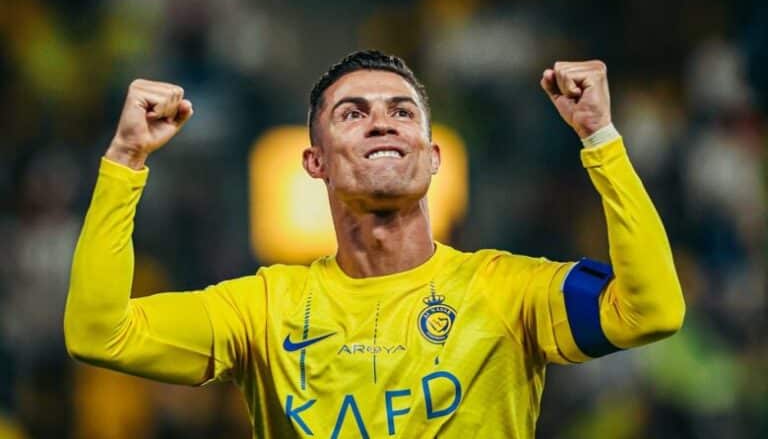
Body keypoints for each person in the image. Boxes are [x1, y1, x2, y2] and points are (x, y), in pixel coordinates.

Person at [64, 50, 685, 438]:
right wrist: (126, 159)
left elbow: (653, 312)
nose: (382, 121)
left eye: (403, 111)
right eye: (352, 113)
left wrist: (600, 138)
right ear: (315, 162)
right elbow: (99, 333)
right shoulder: (260, 308)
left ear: (433, 155)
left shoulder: (510, 290)